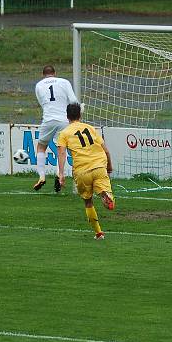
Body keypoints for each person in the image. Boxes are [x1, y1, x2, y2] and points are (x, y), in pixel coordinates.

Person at [56, 103, 115, 240]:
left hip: (82, 171)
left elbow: (62, 153)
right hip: (99, 166)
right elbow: (105, 150)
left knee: (88, 202)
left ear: (67, 116)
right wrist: (109, 167)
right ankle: (105, 194)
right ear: (80, 115)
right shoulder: (90, 128)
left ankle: (99, 233)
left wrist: (61, 174)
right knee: (109, 200)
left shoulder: (64, 133)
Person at [34, 65, 79, 192]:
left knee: (41, 147)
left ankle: (41, 176)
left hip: (48, 119)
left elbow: (42, 103)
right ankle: (59, 174)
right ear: (55, 73)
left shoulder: (39, 85)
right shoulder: (64, 82)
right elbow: (73, 101)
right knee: (62, 148)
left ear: (43, 74)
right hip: (64, 120)